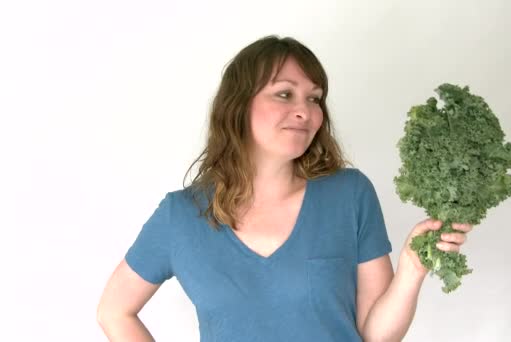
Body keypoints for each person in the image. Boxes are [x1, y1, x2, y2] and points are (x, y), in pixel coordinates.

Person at [96, 35, 473, 341]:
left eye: (314, 98)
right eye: (284, 93)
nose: (305, 111)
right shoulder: (181, 215)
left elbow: (375, 336)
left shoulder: (349, 195)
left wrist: (411, 269)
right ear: (239, 106)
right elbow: (114, 311)